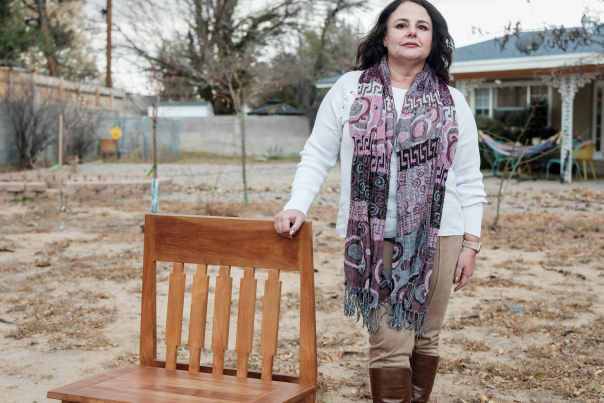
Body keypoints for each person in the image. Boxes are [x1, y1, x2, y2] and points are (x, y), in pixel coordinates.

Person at [274, 0, 487, 401]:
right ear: (384, 35)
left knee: (426, 337)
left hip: (441, 235)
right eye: (401, 24)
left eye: (422, 27)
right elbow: (318, 153)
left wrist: (471, 245)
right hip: (372, 237)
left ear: (433, 40)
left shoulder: (453, 102)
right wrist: (296, 205)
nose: (412, 32)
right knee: (390, 342)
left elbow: (469, 178)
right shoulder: (350, 88)